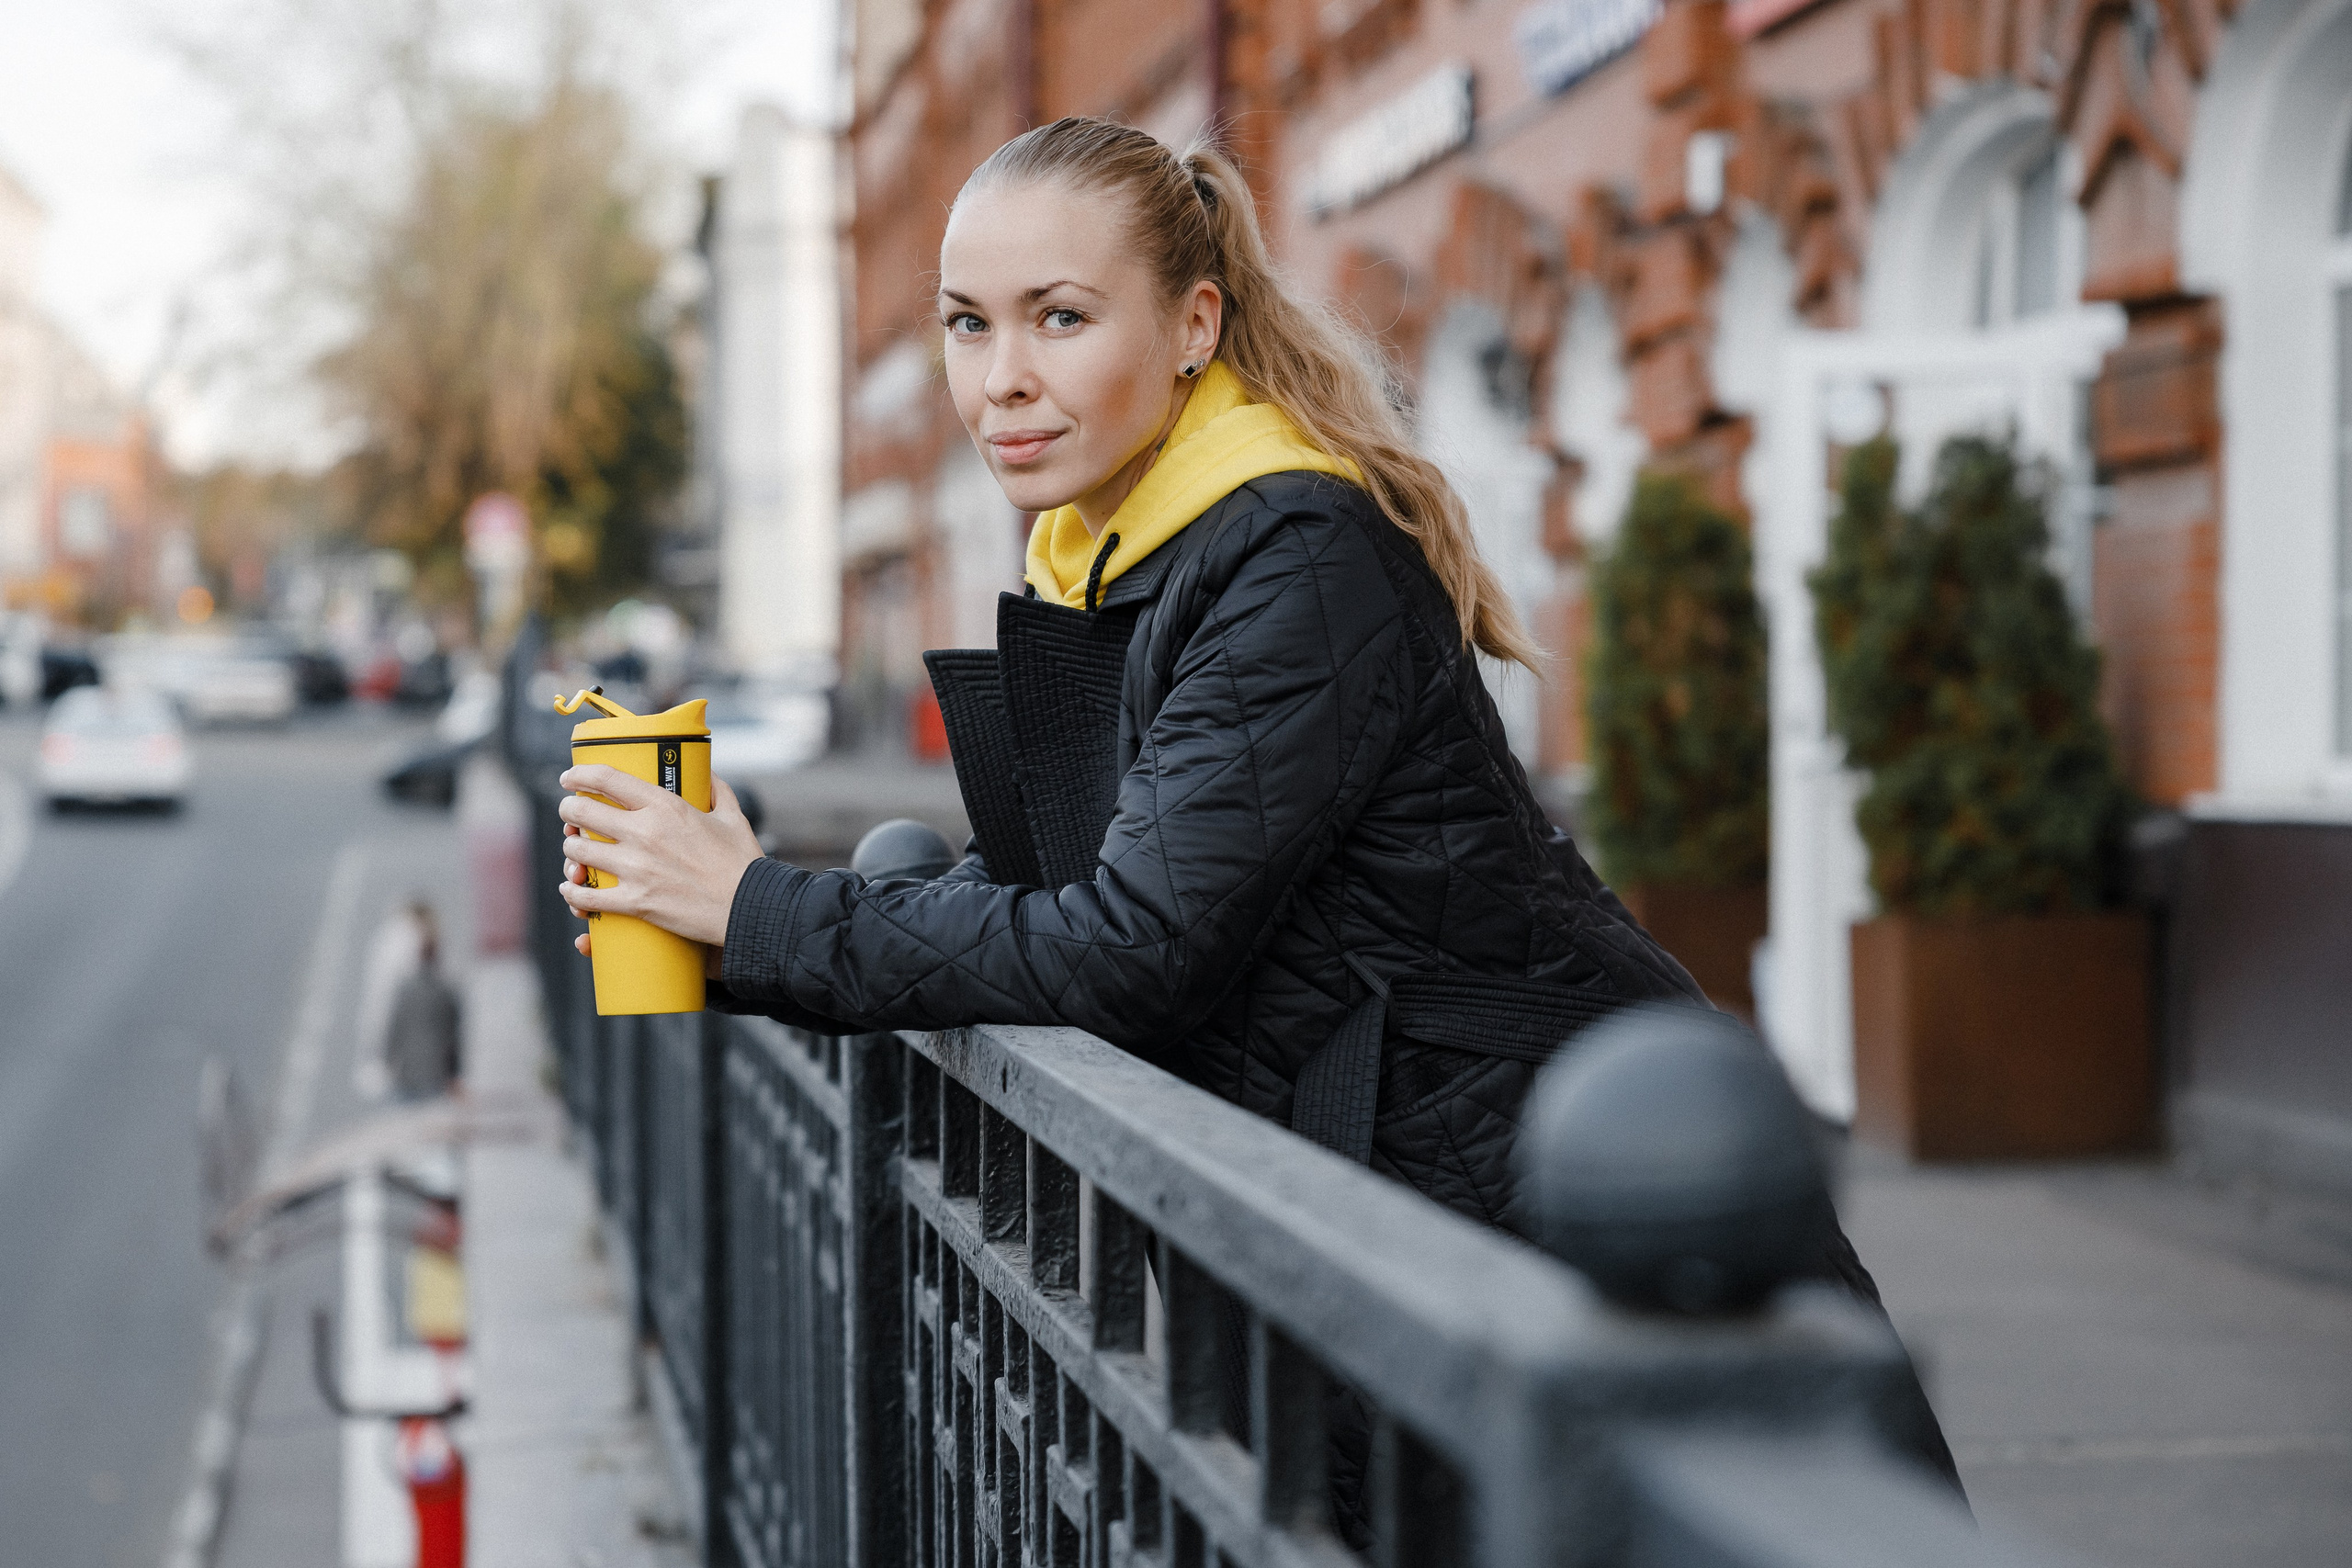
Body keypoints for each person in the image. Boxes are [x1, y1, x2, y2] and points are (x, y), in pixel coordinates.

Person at [555, 116, 1956, 1503]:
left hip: (1573, 1229)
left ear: (1191, 325)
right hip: (1391, 1232)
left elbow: (1129, 942)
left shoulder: (1292, 553)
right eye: (967, 325)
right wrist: (732, 909)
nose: (1002, 380)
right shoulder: (1115, 552)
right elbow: (1032, 888)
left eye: (1058, 317)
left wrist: (762, 910)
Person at [385, 902, 462, 1102]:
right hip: (437, 1074)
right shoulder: (446, 990)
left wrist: (388, 1060)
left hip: (407, 1073)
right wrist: (455, 1074)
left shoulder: (405, 988)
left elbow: (394, 1028)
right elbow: (455, 1036)